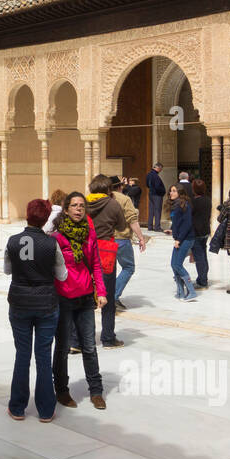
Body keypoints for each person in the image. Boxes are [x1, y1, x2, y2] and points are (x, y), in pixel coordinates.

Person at [4, 198, 67, 422]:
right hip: (46, 304)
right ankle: (46, 410)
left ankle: (18, 407)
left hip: (20, 302)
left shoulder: (13, 241)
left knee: (22, 354)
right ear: (45, 217)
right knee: (43, 355)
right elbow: (62, 275)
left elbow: (7, 270)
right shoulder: (52, 244)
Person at [51, 191, 109, 409]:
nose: (78, 209)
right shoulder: (57, 238)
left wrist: (100, 291)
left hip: (85, 297)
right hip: (64, 298)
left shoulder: (89, 235)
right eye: (74, 206)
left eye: (81, 206)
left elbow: (95, 264)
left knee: (89, 346)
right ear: (66, 210)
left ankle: (96, 391)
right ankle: (62, 390)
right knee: (63, 346)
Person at [84, 175, 124, 348]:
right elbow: (122, 226)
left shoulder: (82, 203)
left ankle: (79, 341)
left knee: (84, 295)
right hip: (105, 251)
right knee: (106, 295)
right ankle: (107, 338)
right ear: (108, 189)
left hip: (86, 250)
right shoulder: (112, 203)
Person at [109, 175, 147, 312]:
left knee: (108, 270)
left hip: (104, 239)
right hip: (121, 239)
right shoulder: (124, 199)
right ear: (120, 186)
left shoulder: (101, 199)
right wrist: (141, 237)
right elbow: (132, 219)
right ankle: (113, 295)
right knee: (128, 267)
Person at [168, 182, 198, 301]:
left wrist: (179, 239)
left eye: (174, 191)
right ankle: (180, 291)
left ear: (180, 193)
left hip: (186, 239)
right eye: (171, 190)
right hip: (180, 238)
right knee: (173, 264)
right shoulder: (176, 204)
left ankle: (191, 291)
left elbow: (187, 224)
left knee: (177, 264)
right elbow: (178, 222)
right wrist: (171, 230)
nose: (171, 193)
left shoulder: (184, 204)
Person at [189, 177, 211, 290]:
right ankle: (203, 278)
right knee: (203, 254)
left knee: (199, 257)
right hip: (205, 231)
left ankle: (202, 281)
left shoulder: (193, 202)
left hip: (196, 232)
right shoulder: (208, 200)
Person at [145, 163, 166, 232]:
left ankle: (150, 226)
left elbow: (147, 185)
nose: (160, 171)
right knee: (157, 210)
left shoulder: (148, 174)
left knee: (151, 210)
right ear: (158, 168)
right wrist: (162, 192)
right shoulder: (155, 176)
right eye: (160, 169)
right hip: (157, 195)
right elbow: (157, 187)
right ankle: (157, 227)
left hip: (151, 194)